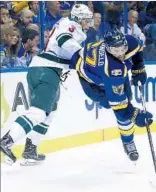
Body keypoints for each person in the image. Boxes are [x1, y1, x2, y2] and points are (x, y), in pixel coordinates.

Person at [0, 4, 93, 165]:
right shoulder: (71, 26)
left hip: (45, 69)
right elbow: (64, 40)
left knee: (49, 114)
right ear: (78, 18)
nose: (88, 23)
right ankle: (7, 140)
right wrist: (83, 54)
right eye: (85, 20)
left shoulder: (69, 23)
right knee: (39, 113)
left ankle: (30, 150)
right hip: (47, 70)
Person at [70, 28, 153, 161]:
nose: (120, 53)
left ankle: (128, 140)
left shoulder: (128, 42)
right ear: (108, 48)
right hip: (93, 83)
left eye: (122, 49)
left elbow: (138, 47)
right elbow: (119, 106)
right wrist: (136, 116)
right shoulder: (111, 68)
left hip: (106, 73)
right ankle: (128, 140)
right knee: (120, 107)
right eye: (115, 51)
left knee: (127, 102)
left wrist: (139, 66)